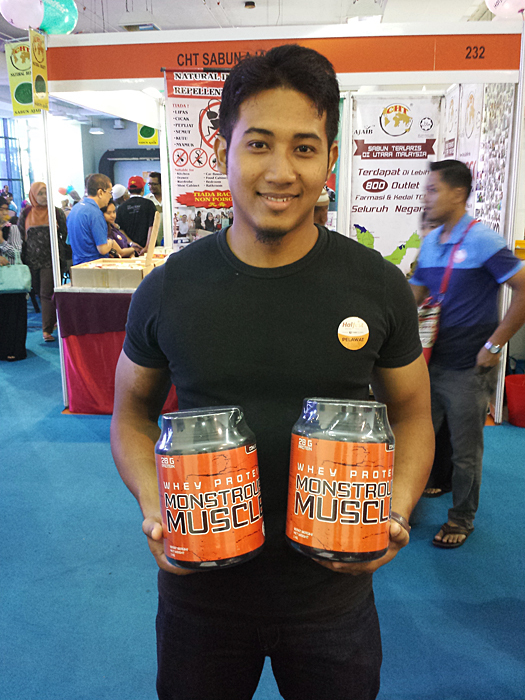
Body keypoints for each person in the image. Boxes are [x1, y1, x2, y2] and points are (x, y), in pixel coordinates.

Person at [111, 45, 433, 700]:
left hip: (331, 596)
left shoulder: (377, 286)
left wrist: (396, 510)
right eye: (258, 144)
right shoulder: (168, 289)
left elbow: (412, 413)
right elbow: (130, 414)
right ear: (221, 150)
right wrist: (153, 504)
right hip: (201, 592)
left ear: (330, 160)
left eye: (304, 148)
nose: (281, 172)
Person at [410, 159, 525, 548]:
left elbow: (524, 289)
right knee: (419, 439)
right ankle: (406, 506)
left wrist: (495, 345)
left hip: (469, 367)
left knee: (465, 451)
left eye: (433, 190)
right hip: (429, 363)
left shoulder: (483, 240)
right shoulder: (431, 241)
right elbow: (416, 294)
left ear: (458, 193)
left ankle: (461, 519)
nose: (426, 198)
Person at [18, 182, 69, 342]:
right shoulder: (26, 213)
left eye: (46, 192)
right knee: (41, 292)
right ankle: (52, 320)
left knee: (45, 293)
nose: (44, 196)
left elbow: (64, 233)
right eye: (40, 193)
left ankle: (46, 330)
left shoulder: (56, 212)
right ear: (33, 195)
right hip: (31, 260)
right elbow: (20, 235)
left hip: (51, 260)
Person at [67, 173, 119, 265]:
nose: (111, 197)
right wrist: (111, 243)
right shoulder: (95, 213)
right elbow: (102, 249)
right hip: (95, 265)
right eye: (110, 193)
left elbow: (70, 242)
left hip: (78, 265)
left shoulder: (75, 209)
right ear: (100, 193)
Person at [0, 197, 26, 361]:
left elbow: (17, 253)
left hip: (12, 280)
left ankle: (14, 349)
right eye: (1, 209)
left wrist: (2, 241)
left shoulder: (12, 229)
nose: (4, 212)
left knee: (13, 315)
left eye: (5, 209)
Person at [115, 176, 157, 249]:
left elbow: (119, 229)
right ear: (143, 189)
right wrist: (147, 247)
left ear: (128, 189)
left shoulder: (121, 207)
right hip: (148, 249)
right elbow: (152, 226)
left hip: (129, 250)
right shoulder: (149, 204)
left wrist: (131, 243)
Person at [145, 172, 163, 244]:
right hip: (153, 238)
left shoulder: (169, 198)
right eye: (149, 184)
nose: (151, 187)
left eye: (154, 184)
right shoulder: (146, 200)